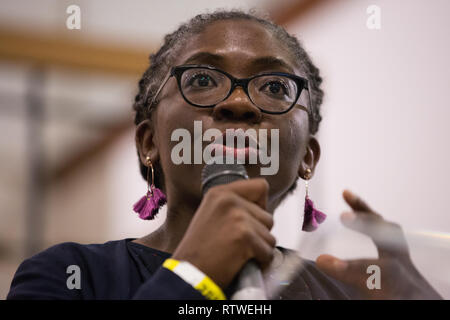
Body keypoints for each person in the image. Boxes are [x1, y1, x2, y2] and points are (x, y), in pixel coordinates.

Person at [7, 9, 442, 300]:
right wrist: (192, 275)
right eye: (201, 79)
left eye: (274, 87)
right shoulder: (70, 276)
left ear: (308, 157)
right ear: (149, 143)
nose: (238, 104)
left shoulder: (349, 293)